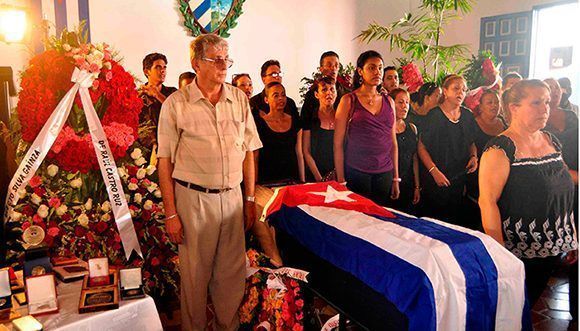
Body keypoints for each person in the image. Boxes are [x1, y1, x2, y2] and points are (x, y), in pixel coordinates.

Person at [157, 34, 262, 331]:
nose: (223, 65)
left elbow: (248, 152)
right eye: (215, 59)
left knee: (230, 277)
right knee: (194, 278)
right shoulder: (176, 105)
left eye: (226, 59)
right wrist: (171, 213)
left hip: (232, 199)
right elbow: (165, 162)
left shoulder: (239, 99)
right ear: (195, 63)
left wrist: (250, 199)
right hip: (193, 201)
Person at [479, 79, 578, 307]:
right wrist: (501, 255)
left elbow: (560, 185)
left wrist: (571, 236)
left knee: (529, 304)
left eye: (546, 102)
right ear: (514, 108)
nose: (545, 108)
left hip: (554, 246)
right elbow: (487, 202)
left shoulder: (550, 139)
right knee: (512, 308)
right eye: (536, 103)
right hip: (520, 250)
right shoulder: (500, 149)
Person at [334, 50, 399, 206]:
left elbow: (393, 143)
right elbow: (337, 144)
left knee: (381, 220)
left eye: (380, 68)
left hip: (384, 171)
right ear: (360, 71)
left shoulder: (389, 101)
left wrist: (396, 177)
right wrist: (341, 180)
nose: (377, 72)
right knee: (359, 220)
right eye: (371, 67)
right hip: (357, 171)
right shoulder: (348, 100)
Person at [417, 75, 478, 227]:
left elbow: (471, 142)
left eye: (463, 90)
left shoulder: (467, 115)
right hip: (435, 177)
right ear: (445, 91)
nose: (460, 93)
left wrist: (474, 156)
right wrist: (434, 171)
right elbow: (421, 147)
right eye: (456, 88)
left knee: (454, 221)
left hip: (458, 177)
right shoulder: (434, 115)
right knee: (434, 222)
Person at [544, 78, 579, 320]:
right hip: (552, 184)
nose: (555, 92)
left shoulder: (571, 116)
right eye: (550, 89)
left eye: (557, 88)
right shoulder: (538, 120)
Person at [254, 82, 304, 184]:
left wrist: (302, 180)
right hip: (267, 181)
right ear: (266, 100)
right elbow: (255, 157)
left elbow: (299, 153)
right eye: (276, 96)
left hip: (292, 180)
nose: (281, 98)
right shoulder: (259, 124)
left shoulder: (295, 121)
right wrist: (254, 185)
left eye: (283, 95)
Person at [389, 88, 420, 213]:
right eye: (400, 102)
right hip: (388, 180)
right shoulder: (384, 129)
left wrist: (417, 186)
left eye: (407, 102)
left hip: (407, 181)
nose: (404, 106)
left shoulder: (412, 128)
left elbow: (415, 158)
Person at [138, 53, 177, 151]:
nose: (163, 71)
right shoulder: (138, 95)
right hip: (144, 149)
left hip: (171, 144)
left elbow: (177, 112)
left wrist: (157, 95)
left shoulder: (173, 92)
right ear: (147, 71)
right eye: (158, 67)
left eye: (164, 67)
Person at [302, 76, 337, 182]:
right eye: (324, 89)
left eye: (332, 89)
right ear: (316, 94)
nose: (329, 93)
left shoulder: (342, 117)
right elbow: (306, 151)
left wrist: (338, 174)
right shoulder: (310, 118)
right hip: (315, 175)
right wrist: (320, 179)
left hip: (339, 175)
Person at [301, 51, 350, 116]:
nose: (333, 68)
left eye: (336, 65)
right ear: (321, 69)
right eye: (329, 65)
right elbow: (304, 122)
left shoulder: (347, 94)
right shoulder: (312, 95)